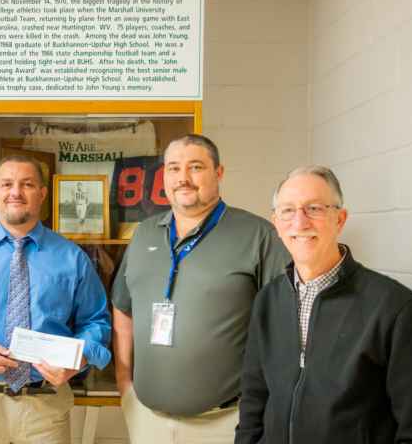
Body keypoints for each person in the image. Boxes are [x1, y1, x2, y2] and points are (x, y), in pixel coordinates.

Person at [236, 165, 412, 444]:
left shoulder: (395, 308)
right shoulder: (268, 300)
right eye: (288, 210)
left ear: (340, 218)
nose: (300, 223)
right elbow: (254, 401)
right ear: (276, 223)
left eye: (314, 208)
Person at [111, 134, 289, 443]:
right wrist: (124, 382)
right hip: (147, 420)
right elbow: (122, 308)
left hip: (224, 422)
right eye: (173, 168)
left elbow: (285, 324)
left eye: (195, 167)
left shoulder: (258, 236)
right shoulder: (144, 234)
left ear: (218, 173)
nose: (183, 178)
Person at [0, 155, 111, 444]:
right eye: (7, 184)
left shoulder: (72, 257)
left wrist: (78, 360)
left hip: (46, 406)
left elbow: (96, 322)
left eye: (27, 184)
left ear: (42, 194)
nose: (15, 192)